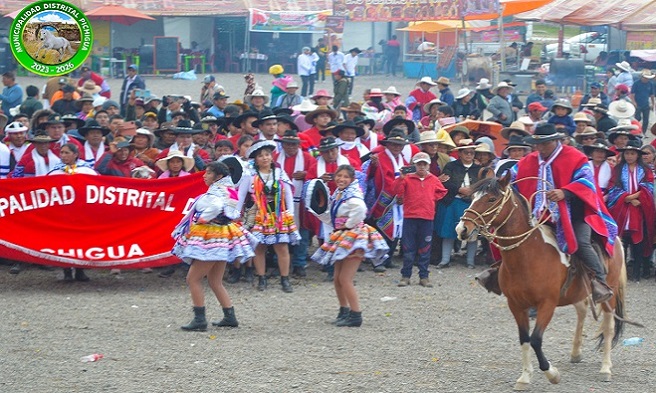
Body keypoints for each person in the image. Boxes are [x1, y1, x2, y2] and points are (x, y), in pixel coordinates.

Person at [509, 123, 617, 303]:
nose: (540, 148)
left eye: (545, 144)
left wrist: (565, 192)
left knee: (581, 242)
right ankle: (503, 274)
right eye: (538, 144)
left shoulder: (575, 157)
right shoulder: (530, 160)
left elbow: (588, 183)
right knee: (515, 238)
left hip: (574, 213)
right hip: (539, 215)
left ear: (555, 141)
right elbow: (512, 176)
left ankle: (600, 282)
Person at [172, 161, 256, 331]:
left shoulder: (215, 193)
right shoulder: (229, 191)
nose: (204, 176)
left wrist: (204, 217)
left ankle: (200, 319)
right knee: (215, 280)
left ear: (218, 177)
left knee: (193, 279)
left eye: (208, 173)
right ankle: (229, 316)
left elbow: (216, 206)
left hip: (211, 237)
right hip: (223, 235)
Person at [309, 165, 389, 327]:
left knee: (345, 278)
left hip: (354, 235)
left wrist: (348, 224)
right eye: (339, 176)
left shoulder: (352, 195)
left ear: (352, 179)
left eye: (345, 177)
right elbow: (331, 214)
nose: (341, 179)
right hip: (343, 234)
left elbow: (360, 210)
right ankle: (344, 310)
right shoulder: (339, 195)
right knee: (338, 278)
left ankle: (355, 314)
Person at [236, 140, 300, 292]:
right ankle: (261, 278)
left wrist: (290, 211)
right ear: (255, 160)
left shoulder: (279, 173)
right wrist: (236, 214)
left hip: (278, 213)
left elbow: (288, 193)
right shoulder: (249, 175)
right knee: (259, 247)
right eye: (261, 156)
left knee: (282, 247)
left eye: (267, 154)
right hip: (259, 214)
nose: (265, 158)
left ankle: (285, 279)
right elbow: (241, 195)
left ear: (271, 157)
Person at [393, 152, 447, 287]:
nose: (421, 167)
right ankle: (406, 275)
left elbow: (442, 191)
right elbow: (397, 191)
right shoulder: (407, 178)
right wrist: (401, 178)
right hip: (410, 217)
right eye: (419, 164)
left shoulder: (434, 179)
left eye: (424, 164)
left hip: (427, 218)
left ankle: (424, 276)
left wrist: (431, 199)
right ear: (414, 165)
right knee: (408, 248)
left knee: (425, 248)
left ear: (428, 165)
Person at [606, 140, 655, 282]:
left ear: (637, 155)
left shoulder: (645, 170)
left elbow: (648, 187)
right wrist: (626, 198)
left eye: (632, 153)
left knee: (638, 238)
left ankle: (637, 272)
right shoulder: (618, 169)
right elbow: (613, 187)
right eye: (627, 153)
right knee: (621, 240)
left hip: (639, 207)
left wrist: (632, 197)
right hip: (622, 208)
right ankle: (621, 271)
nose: (629, 156)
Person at [273, 130, 314, 278]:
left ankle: (299, 264)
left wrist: (305, 175)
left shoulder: (308, 158)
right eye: (288, 144)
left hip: (300, 203)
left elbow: (316, 176)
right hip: (280, 202)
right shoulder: (276, 158)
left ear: (298, 145)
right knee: (279, 234)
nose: (291, 147)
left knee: (302, 233)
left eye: (294, 144)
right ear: (282, 145)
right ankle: (279, 264)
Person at [436, 140, 482, 269]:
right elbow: (445, 182)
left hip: (472, 204)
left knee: (472, 232)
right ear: (459, 153)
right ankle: (445, 260)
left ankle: (470, 261)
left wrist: (472, 191)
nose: (469, 155)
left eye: (471, 152)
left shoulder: (479, 169)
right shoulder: (451, 166)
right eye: (466, 152)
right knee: (449, 231)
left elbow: (484, 184)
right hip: (453, 201)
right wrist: (459, 189)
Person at [631, 69, 655, 135]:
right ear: (642, 77)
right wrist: (634, 102)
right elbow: (632, 94)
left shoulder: (650, 84)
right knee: (637, 119)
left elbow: (652, 95)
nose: (646, 79)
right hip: (638, 104)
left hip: (646, 104)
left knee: (646, 120)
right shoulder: (636, 83)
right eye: (645, 78)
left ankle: (643, 133)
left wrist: (653, 104)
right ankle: (636, 132)